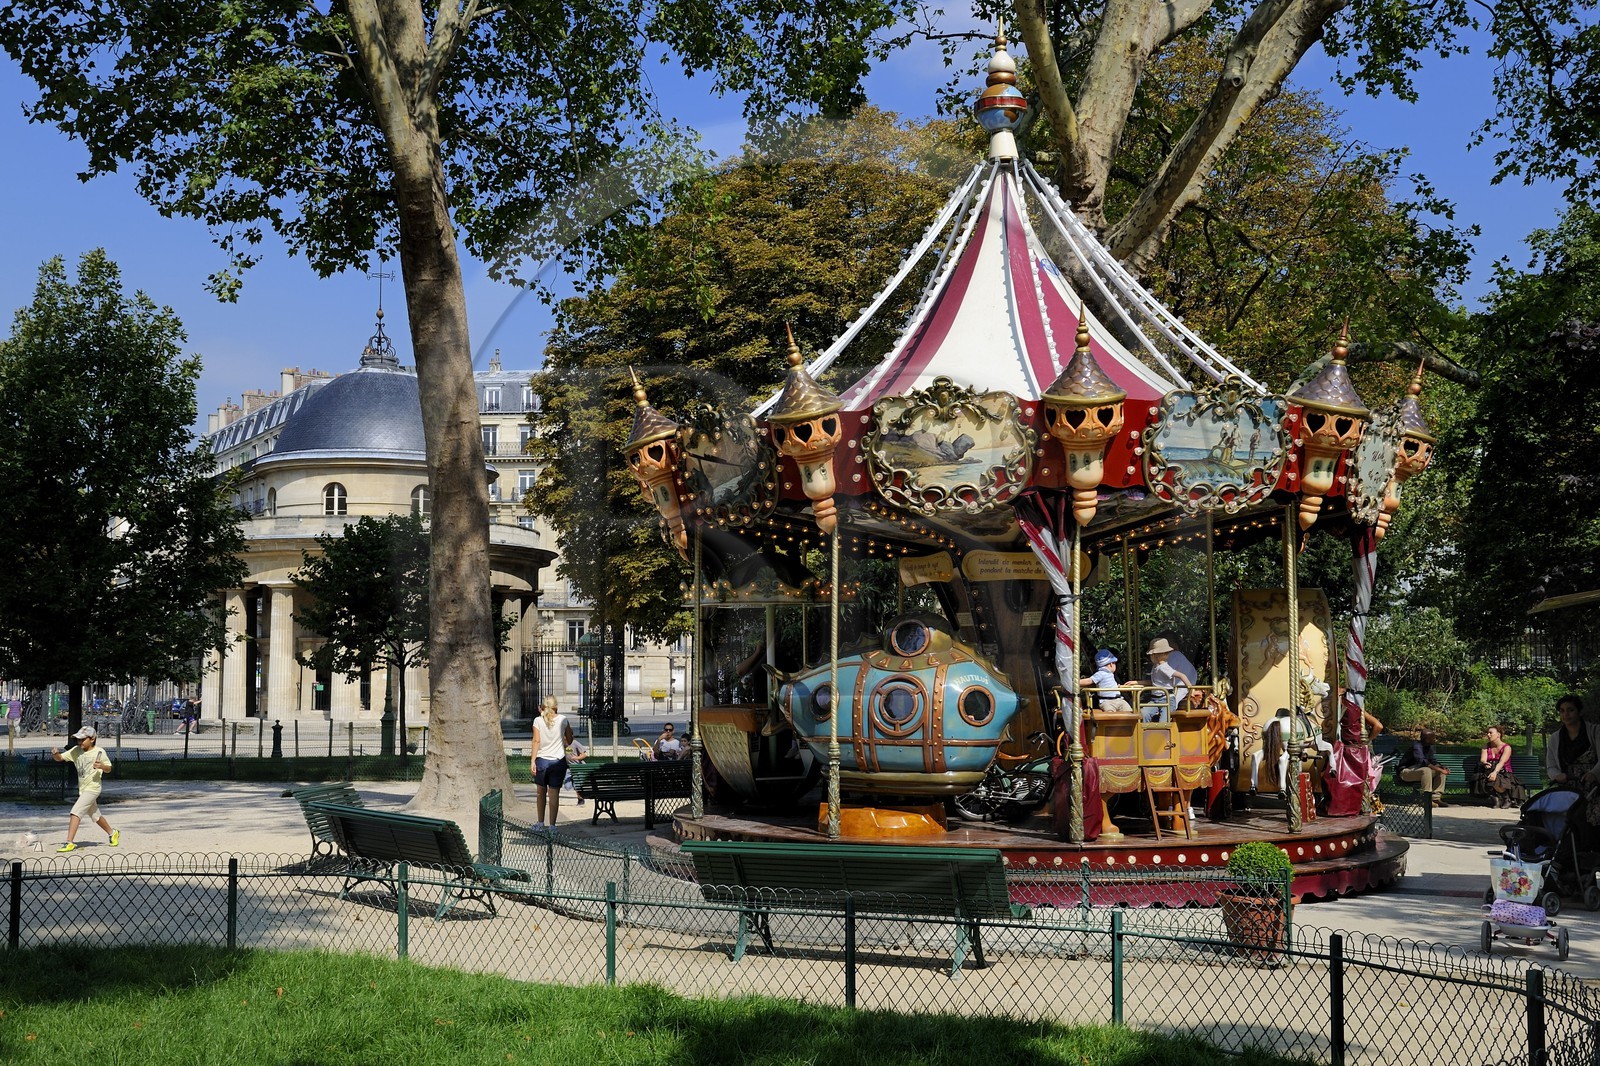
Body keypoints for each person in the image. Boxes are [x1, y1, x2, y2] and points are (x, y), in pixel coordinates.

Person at [52, 725, 118, 853]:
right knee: (95, 816)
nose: (80, 742)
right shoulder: (76, 751)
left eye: (83, 739)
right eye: (78, 739)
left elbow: (109, 769)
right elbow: (60, 758)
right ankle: (112, 833)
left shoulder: (99, 752)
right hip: (83, 789)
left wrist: (102, 766)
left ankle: (69, 842)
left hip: (93, 788)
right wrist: (55, 754)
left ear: (92, 739)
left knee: (75, 812)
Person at [529, 696, 570, 831]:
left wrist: (532, 761)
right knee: (554, 794)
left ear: (542, 707)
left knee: (540, 792)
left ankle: (540, 823)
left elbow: (536, 741)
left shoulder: (538, 721)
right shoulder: (563, 720)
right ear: (556, 707)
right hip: (558, 760)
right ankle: (552, 826)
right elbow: (570, 740)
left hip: (542, 760)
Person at [1397, 728, 1450, 807]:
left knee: (1440, 772)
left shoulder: (1430, 747)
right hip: (1406, 772)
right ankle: (1426, 799)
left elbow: (1432, 761)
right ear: (1427, 739)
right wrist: (1439, 769)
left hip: (1419, 771)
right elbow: (1422, 762)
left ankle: (1435, 798)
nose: (1435, 739)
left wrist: (1442, 767)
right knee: (1426, 770)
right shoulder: (1416, 746)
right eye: (1433, 738)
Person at [1144, 638, 1192, 722]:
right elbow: (1155, 682)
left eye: (1153, 655)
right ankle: (1145, 729)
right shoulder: (1156, 667)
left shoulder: (1164, 667)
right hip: (1155, 699)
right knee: (1144, 713)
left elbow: (1182, 675)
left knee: (1164, 721)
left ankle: (1161, 730)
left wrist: (1191, 688)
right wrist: (1137, 682)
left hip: (1166, 699)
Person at [1477, 725, 1525, 808]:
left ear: (1498, 734)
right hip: (1488, 770)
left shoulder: (1507, 748)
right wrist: (1485, 764)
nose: (1488, 735)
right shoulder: (1486, 746)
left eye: (1491, 733)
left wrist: (1495, 772)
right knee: (1485, 775)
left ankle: (1505, 798)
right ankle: (1499, 798)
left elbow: (1502, 762)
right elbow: (1483, 759)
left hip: (1504, 772)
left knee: (1494, 777)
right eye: (1487, 733)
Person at [1079, 649, 1133, 713]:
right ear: (1111, 664)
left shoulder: (1110, 674)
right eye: (1115, 663)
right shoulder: (1100, 674)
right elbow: (1089, 681)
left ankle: (1130, 719)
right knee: (1110, 713)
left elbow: (1109, 684)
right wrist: (1076, 682)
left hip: (1119, 699)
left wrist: (1116, 687)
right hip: (1107, 701)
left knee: (1129, 711)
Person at [562, 734, 588, 807]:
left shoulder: (575, 743)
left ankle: (581, 799)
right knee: (567, 786)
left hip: (577, 767)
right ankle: (574, 783)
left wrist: (576, 758)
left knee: (577, 785)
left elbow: (584, 755)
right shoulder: (562, 744)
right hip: (569, 767)